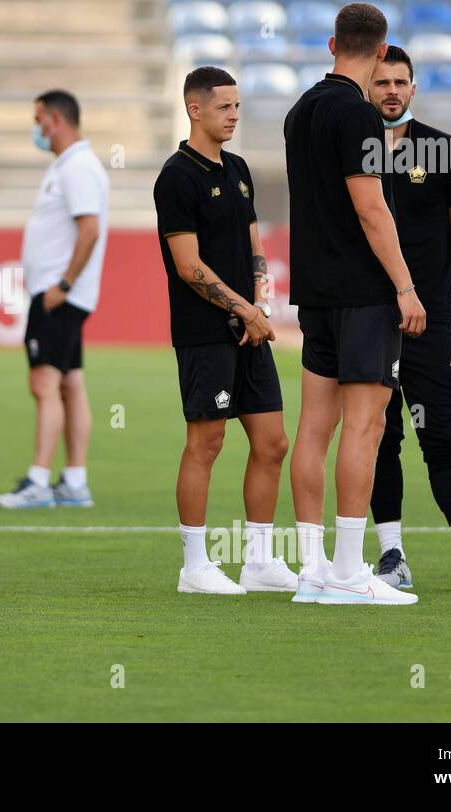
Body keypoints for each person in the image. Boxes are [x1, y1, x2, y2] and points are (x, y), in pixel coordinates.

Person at [284, 3, 424, 606]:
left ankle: (313, 569)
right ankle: (346, 573)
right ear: (382, 46)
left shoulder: (300, 111)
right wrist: (405, 285)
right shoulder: (361, 116)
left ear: (332, 42)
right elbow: (371, 209)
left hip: (314, 293)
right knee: (364, 429)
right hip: (363, 296)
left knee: (314, 428)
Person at [366, 47, 451, 594]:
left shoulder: (445, 151)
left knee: (441, 438)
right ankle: (390, 556)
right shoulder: (350, 151)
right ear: (367, 88)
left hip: (431, 321)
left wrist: (415, 287)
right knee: (379, 438)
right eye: (382, 82)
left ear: (414, 89)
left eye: (401, 81)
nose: (392, 90)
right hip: (370, 321)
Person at [154, 67, 295, 595]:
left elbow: (254, 241)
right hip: (204, 331)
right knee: (206, 441)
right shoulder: (176, 176)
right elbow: (189, 266)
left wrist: (256, 305)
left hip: (247, 328)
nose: (234, 115)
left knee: (273, 442)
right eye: (225, 107)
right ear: (196, 109)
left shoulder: (237, 168)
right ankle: (195, 567)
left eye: (237, 106)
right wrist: (243, 310)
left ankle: (258, 561)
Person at [0, 90, 108, 508]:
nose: (36, 128)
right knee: (69, 384)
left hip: (59, 296)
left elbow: (90, 230)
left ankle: (39, 480)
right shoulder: (71, 165)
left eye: (39, 118)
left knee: (44, 383)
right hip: (63, 294)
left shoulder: (77, 166)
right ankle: (74, 482)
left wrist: (63, 283)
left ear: (56, 119)